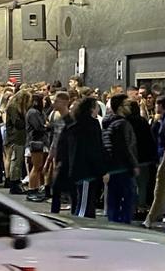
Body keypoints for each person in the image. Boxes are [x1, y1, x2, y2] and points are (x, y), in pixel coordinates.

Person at [56, 97, 108, 218]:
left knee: (78, 201)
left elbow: (63, 144)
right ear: (91, 109)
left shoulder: (74, 123)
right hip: (87, 170)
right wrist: (102, 169)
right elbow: (95, 148)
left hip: (74, 167)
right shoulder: (92, 124)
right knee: (84, 204)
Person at [143, 95, 165, 229]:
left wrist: (164, 161)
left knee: (160, 191)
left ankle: (149, 219)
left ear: (161, 106)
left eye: (157, 104)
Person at [103, 94, 139, 224]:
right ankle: (123, 225)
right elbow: (125, 147)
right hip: (123, 167)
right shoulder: (122, 124)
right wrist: (133, 165)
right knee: (128, 198)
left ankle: (113, 223)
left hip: (112, 167)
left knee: (114, 199)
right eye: (126, 105)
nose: (129, 107)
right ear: (119, 108)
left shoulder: (108, 124)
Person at [127, 101, 157, 216]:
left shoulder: (126, 122)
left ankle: (132, 207)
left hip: (131, 157)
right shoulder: (143, 121)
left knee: (132, 184)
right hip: (144, 158)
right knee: (142, 184)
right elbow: (149, 139)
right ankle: (141, 207)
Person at [46, 92, 74, 213]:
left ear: (64, 102)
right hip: (59, 158)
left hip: (68, 158)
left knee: (69, 189)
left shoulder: (70, 120)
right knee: (56, 188)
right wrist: (50, 157)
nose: (53, 104)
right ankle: (55, 212)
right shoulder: (57, 118)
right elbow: (55, 140)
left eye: (56, 101)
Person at [6, 90, 31, 194]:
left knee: (18, 161)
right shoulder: (13, 107)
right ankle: (14, 184)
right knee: (15, 161)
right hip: (15, 138)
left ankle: (16, 182)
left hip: (20, 138)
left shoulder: (16, 108)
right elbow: (17, 123)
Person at [25, 94, 49, 202]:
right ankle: (31, 189)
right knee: (36, 167)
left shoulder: (40, 112)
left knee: (39, 167)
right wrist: (46, 126)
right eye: (43, 100)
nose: (44, 102)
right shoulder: (33, 112)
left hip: (40, 142)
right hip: (35, 142)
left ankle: (36, 188)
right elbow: (39, 127)